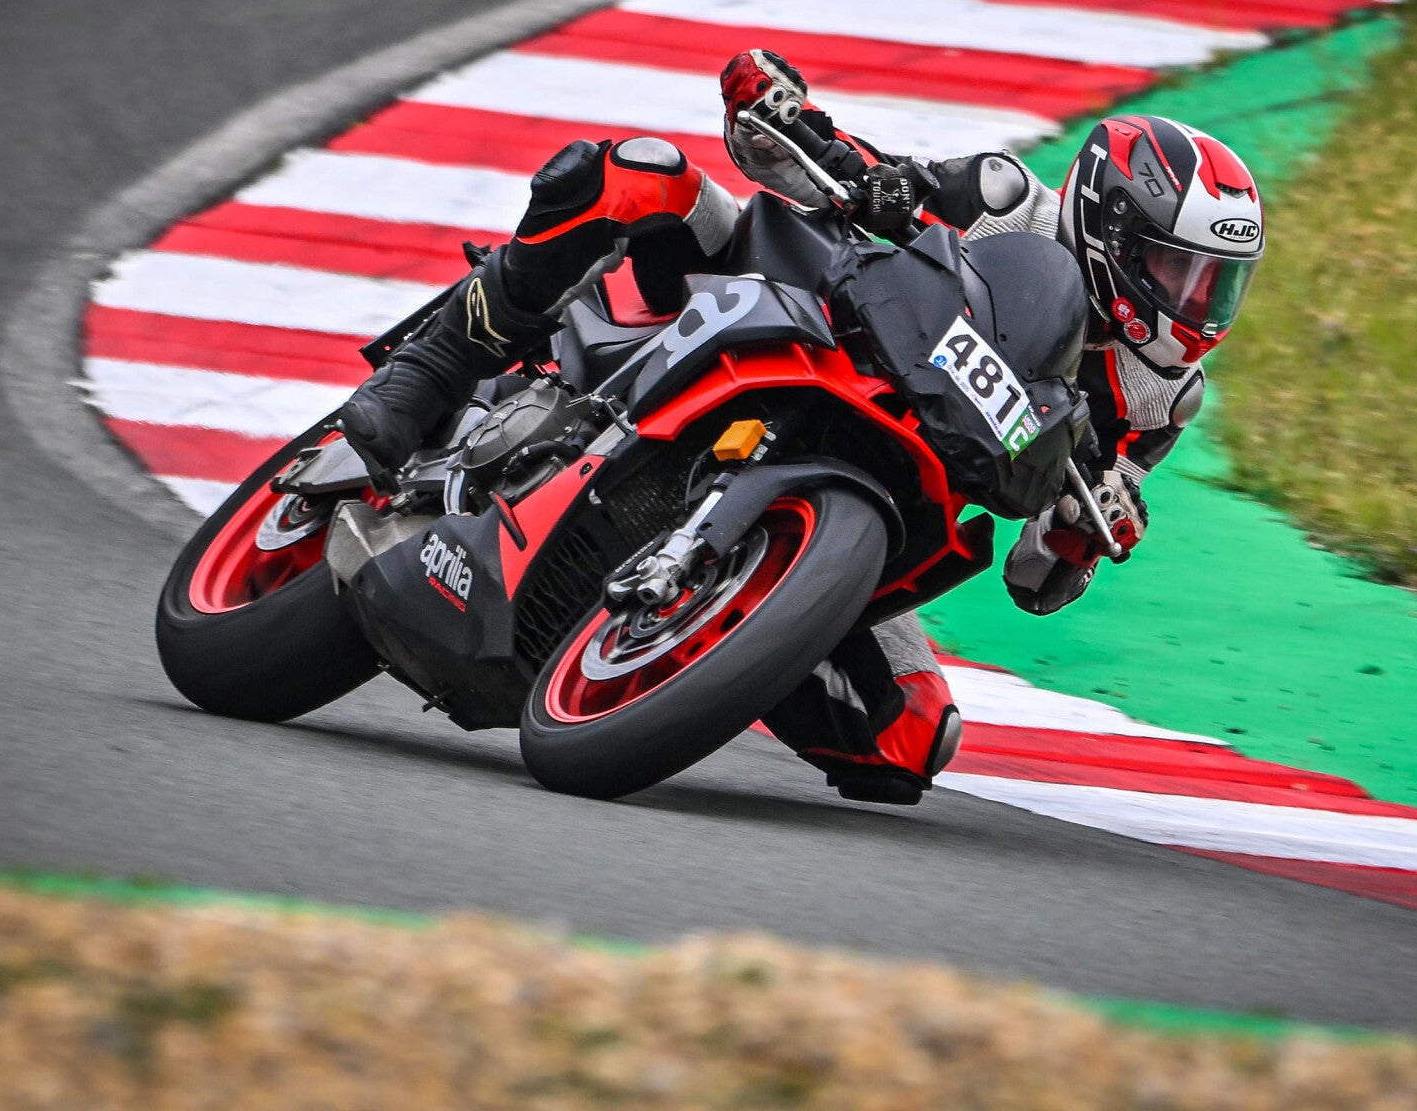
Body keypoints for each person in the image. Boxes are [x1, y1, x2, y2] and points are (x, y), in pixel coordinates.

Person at [336, 50, 1265, 805]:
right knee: (642, 174)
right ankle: (434, 370)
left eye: (1215, 283)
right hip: (792, 318)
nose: (1194, 303)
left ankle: (718, 638)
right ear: (1106, 224)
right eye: (1173, 269)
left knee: (909, 739)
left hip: (892, 490)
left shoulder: (1158, 401)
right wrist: (802, 125)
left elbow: (1036, 579)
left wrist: (1080, 537)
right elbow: (861, 173)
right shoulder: (1006, 199)